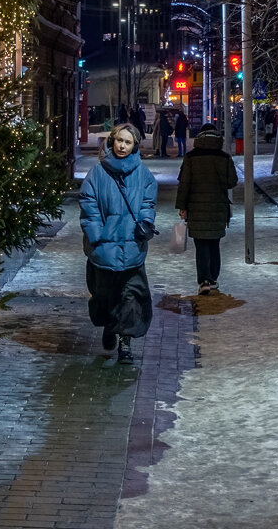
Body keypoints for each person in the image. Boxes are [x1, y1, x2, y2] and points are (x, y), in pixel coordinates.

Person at [79, 123, 157, 364]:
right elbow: (88, 204)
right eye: (119, 140)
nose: (122, 146)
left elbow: (148, 203)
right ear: (112, 141)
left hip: (132, 247)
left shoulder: (143, 174)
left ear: (135, 146)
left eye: (128, 142)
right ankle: (109, 325)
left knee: (131, 296)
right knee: (105, 295)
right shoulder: (98, 173)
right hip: (104, 249)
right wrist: (97, 235)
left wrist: (145, 222)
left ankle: (125, 343)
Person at [176, 123, 239, 295]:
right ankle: (213, 279)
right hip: (218, 207)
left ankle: (204, 280)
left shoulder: (190, 157)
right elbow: (232, 181)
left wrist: (182, 206)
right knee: (214, 243)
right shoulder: (224, 158)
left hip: (195, 207)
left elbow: (184, 184)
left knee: (201, 244)